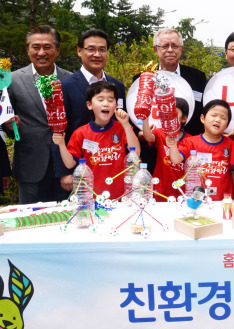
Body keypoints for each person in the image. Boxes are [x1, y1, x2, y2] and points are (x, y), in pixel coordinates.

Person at [3, 25, 71, 204]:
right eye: (36, 47)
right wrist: (10, 126)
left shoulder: (70, 79)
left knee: (66, 220)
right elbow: (6, 118)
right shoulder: (13, 80)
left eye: (47, 47)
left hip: (66, 166)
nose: (41, 52)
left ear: (57, 50)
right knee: (30, 222)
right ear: (27, 50)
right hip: (30, 166)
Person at [55, 29, 126, 193]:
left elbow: (122, 122)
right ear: (79, 51)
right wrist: (65, 172)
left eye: (102, 49)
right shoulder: (65, 86)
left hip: (111, 169)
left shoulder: (118, 86)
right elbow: (58, 130)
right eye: (91, 49)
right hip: (79, 168)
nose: (97, 54)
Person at [52, 81, 140, 200]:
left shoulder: (122, 128)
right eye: (100, 99)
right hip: (92, 197)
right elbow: (70, 164)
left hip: (121, 196)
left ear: (116, 105)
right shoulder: (80, 133)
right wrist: (61, 144)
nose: (106, 104)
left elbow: (136, 151)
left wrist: (125, 124)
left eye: (110, 100)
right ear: (89, 105)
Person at [150, 28, 207, 137]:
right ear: (156, 50)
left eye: (174, 46)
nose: (170, 50)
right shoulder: (143, 78)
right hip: (153, 143)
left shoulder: (197, 77)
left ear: (181, 49)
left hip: (189, 145)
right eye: (165, 46)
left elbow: (202, 113)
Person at [179, 99, 234, 201]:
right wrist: (172, 144)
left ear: (227, 125)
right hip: (196, 201)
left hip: (224, 201)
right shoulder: (190, 142)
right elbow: (176, 159)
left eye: (223, 118)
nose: (217, 120)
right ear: (202, 118)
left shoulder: (231, 145)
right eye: (213, 115)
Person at [140, 97, 190, 201]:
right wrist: (145, 118)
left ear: (184, 118)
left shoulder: (189, 140)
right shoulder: (160, 133)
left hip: (181, 193)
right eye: (166, 114)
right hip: (160, 191)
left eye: (174, 114)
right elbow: (148, 137)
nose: (170, 117)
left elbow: (177, 160)